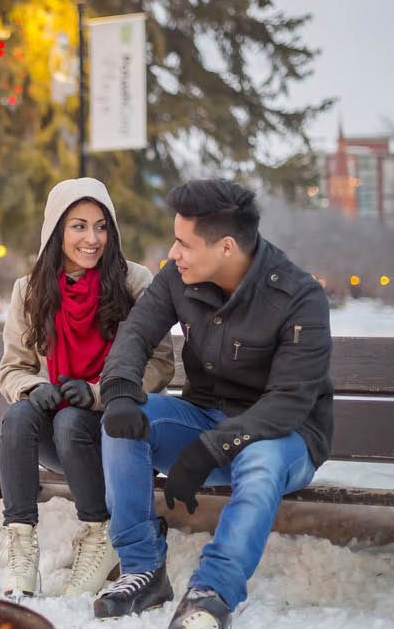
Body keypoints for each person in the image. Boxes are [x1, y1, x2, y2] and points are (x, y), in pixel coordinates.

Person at [94, 179, 333, 628]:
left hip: (284, 438)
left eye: (184, 243)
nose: (173, 252)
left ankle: (211, 593)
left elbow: (288, 403)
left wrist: (213, 448)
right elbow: (136, 335)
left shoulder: (299, 297)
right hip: (204, 421)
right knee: (123, 421)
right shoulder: (177, 278)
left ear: (226, 246)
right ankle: (143, 568)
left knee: (260, 460)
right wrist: (121, 391)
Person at [0, 178, 175, 599]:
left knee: (74, 419)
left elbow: (160, 365)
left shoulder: (134, 281)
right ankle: (20, 539)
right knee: (20, 415)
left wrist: (98, 392)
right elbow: (12, 368)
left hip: (115, 432)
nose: (91, 239)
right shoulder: (30, 289)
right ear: (57, 230)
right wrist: (32, 387)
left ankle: (101, 533)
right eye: (78, 226)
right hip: (58, 434)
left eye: (101, 226)